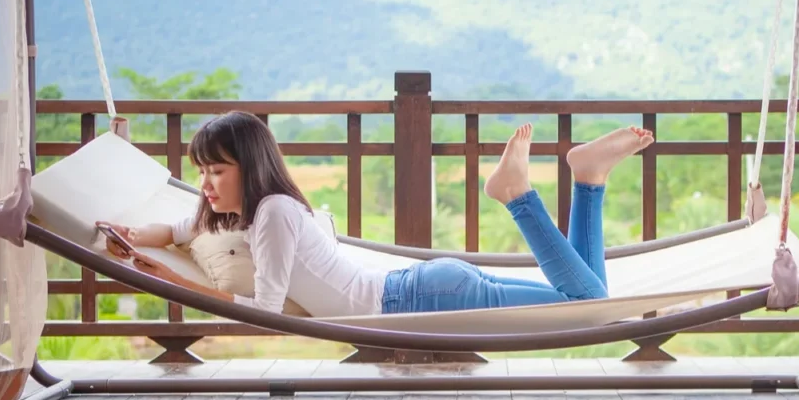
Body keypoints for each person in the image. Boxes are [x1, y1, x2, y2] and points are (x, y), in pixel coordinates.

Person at [98, 111, 653, 316]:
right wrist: (142, 234)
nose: (206, 184)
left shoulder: (271, 216)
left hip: (423, 297)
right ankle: (587, 178)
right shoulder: (270, 207)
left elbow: (266, 310)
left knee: (591, 303)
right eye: (201, 172)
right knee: (589, 297)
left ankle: (519, 195)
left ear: (246, 166)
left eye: (215, 171)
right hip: (428, 287)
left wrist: (171, 278)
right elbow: (188, 226)